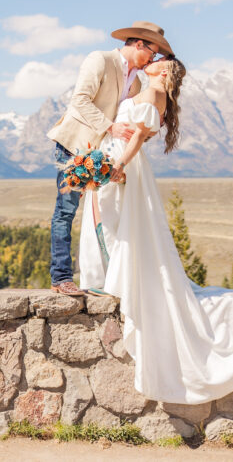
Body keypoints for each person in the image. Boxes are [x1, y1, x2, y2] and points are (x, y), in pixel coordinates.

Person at [79, 56, 233, 404]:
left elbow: (139, 135)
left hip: (127, 165)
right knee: (109, 218)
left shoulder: (156, 96)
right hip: (116, 157)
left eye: (159, 61)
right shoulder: (145, 89)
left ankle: (120, 279)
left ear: (165, 71)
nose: (151, 61)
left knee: (123, 221)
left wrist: (119, 165)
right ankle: (108, 276)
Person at [45, 21, 171, 296]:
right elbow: (79, 100)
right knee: (65, 211)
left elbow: (133, 121)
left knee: (105, 215)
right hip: (73, 147)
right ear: (139, 44)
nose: (154, 57)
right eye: (153, 51)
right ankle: (61, 278)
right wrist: (110, 127)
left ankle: (109, 277)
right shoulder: (100, 60)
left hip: (104, 157)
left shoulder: (137, 82)